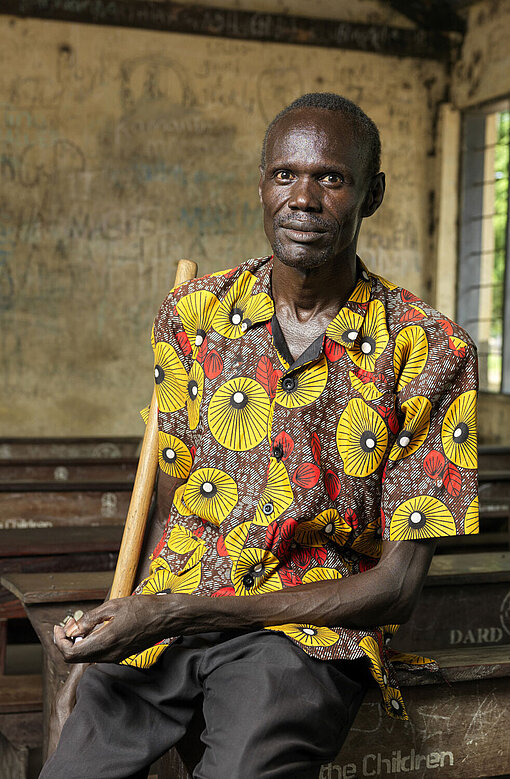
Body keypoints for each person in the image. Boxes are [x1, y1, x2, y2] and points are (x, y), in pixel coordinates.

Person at [41, 92, 479, 779]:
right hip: (173, 610)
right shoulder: (194, 314)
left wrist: (191, 611)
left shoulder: (429, 347)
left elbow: (396, 587)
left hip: (304, 636)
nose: (302, 197)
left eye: (331, 178)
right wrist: (107, 659)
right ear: (262, 185)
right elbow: (172, 509)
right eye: (285, 175)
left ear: (373, 194)